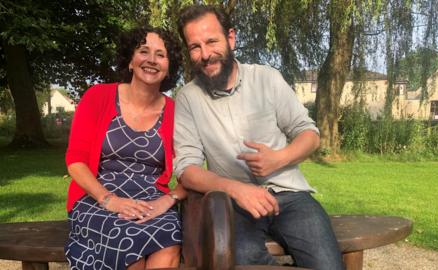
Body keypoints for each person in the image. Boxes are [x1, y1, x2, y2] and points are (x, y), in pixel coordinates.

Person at [174, 5, 345, 270]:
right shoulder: (187, 98)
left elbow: (309, 134)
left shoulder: (267, 78)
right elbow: (187, 170)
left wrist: (279, 158)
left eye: (211, 41)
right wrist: (236, 189)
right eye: (195, 46)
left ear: (231, 38)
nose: (205, 54)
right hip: (233, 205)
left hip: (290, 195)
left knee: (328, 264)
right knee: (239, 261)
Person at [64, 26, 186, 270]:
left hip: (152, 201)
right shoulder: (97, 96)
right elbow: (75, 161)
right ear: (130, 61)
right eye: (144, 51)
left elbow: (191, 167)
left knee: (169, 247)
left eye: (160, 55)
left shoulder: (177, 111)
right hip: (97, 197)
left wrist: (170, 198)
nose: (151, 60)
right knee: (130, 252)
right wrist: (109, 200)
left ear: (168, 67)